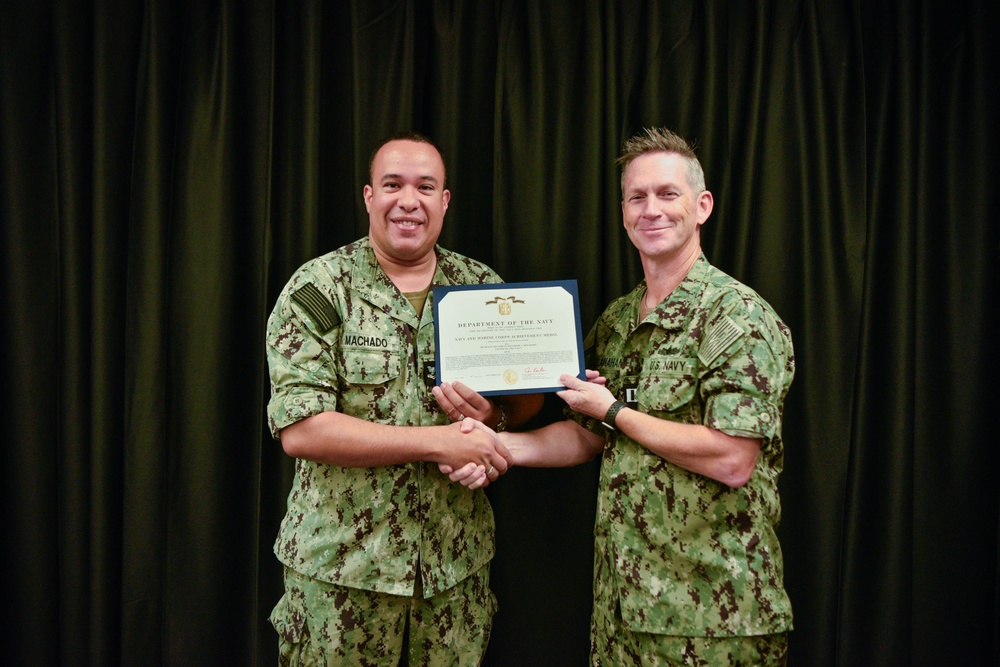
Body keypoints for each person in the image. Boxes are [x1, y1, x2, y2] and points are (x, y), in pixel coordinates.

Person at [457, 127, 795, 664]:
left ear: (702, 206)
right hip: (623, 613)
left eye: (667, 194)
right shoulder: (617, 321)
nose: (651, 209)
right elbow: (589, 438)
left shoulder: (736, 316)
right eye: (637, 197)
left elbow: (733, 459)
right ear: (622, 211)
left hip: (713, 619)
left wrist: (615, 410)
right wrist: (490, 445)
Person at [265, 131, 543, 665]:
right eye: (392, 185)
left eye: (425, 186)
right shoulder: (320, 289)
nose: (408, 201)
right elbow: (303, 430)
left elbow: (527, 401)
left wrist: (496, 415)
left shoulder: (483, 289)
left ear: (445, 201)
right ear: (369, 196)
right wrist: (440, 443)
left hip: (452, 581)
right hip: (341, 582)